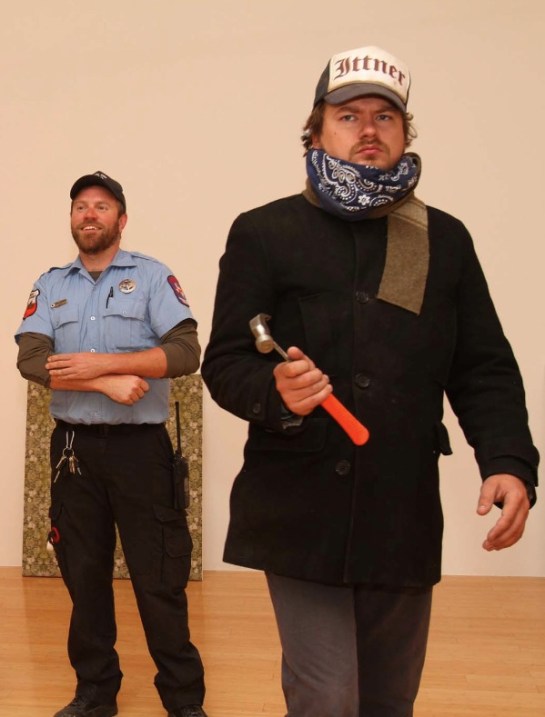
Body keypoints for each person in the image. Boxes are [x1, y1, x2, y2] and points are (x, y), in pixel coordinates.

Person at [201, 45, 539, 717]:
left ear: (404, 132)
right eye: (348, 115)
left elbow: (482, 366)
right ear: (316, 130)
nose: (368, 129)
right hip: (298, 509)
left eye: (385, 116)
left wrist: (507, 460)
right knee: (326, 697)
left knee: (388, 700)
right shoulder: (265, 232)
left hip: (399, 511)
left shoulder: (442, 239)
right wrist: (275, 392)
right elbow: (227, 362)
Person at [15, 171, 208, 717]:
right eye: (81, 206)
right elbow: (31, 359)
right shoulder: (51, 284)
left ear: (121, 220)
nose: (89, 214)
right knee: (84, 578)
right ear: (72, 219)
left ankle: (183, 701)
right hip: (73, 450)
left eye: (101, 206)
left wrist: (102, 364)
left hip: (141, 452)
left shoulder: (152, 277)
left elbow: (185, 352)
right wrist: (103, 383)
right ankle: (96, 694)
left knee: (159, 581)